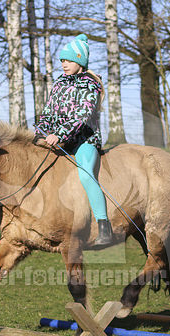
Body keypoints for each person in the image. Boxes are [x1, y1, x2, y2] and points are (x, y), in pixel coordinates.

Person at [34, 33, 112, 247]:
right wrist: (40, 133)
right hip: (61, 142)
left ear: (80, 61)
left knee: (86, 175)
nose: (64, 64)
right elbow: (49, 111)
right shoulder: (59, 83)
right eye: (62, 60)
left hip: (84, 141)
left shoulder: (90, 85)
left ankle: (104, 226)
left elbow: (82, 116)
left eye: (68, 60)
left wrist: (59, 134)